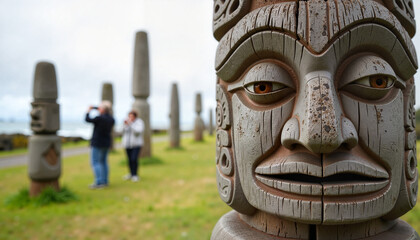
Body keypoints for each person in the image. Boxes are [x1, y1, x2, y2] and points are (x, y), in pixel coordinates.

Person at [85, 100, 115, 189]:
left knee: (95, 162)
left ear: (103, 109)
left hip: (97, 142)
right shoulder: (111, 119)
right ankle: (105, 181)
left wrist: (88, 111)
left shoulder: (99, 118)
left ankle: (98, 182)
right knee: (104, 162)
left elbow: (87, 119)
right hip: (106, 142)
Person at [122, 110, 144, 182]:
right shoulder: (127, 123)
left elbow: (138, 132)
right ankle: (131, 173)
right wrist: (125, 125)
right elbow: (123, 132)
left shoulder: (139, 122)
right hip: (127, 144)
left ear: (135, 116)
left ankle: (135, 175)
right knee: (129, 160)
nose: (130, 118)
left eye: (132, 116)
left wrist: (130, 124)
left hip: (136, 144)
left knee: (134, 159)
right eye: (129, 116)